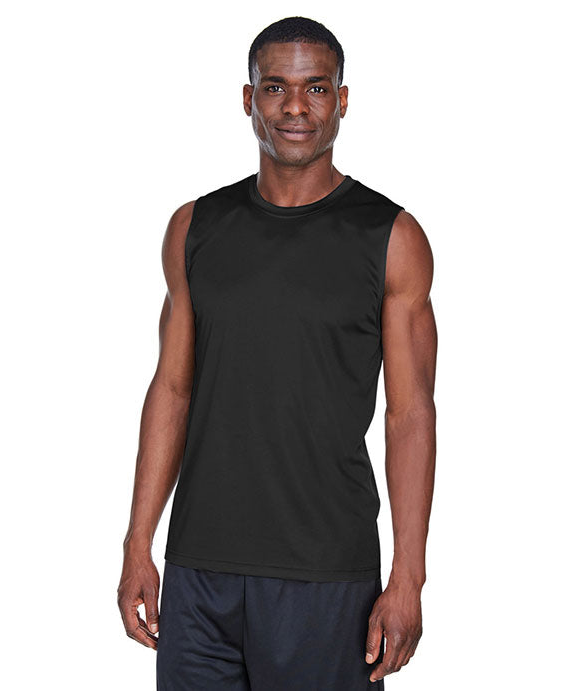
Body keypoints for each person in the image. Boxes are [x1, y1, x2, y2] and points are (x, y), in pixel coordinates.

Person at [117, 15, 437, 690]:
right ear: (249, 99)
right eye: (275, 87)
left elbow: (410, 414)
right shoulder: (195, 227)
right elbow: (171, 388)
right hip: (199, 573)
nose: (296, 106)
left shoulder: (391, 237)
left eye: (316, 88)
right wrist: (138, 541)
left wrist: (408, 575)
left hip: (325, 576)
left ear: (341, 100)